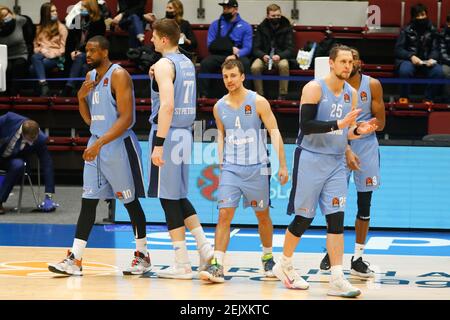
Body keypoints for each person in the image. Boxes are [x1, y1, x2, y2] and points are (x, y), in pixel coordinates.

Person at [272, 45, 378, 297]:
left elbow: (346, 131)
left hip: (336, 163)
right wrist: (338, 124)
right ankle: (284, 264)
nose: (347, 66)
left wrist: (358, 132)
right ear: (331, 63)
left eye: (350, 62)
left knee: (336, 219)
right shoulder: (314, 88)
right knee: (304, 218)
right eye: (342, 61)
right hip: (310, 158)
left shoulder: (351, 93)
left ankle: (338, 278)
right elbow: (306, 126)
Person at [48, 35, 150, 276]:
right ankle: (75, 259)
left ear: (105, 52)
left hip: (118, 146)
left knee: (130, 202)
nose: (88, 55)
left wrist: (100, 142)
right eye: (86, 51)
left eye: (93, 51)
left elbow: (127, 119)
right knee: (88, 200)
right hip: (96, 145)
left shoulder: (119, 75)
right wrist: (80, 97)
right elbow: (90, 120)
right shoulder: (89, 78)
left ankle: (143, 255)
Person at [199, 59, 289, 283]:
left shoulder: (258, 102)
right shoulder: (219, 106)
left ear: (242, 76)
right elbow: (221, 134)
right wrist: (221, 162)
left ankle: (268, 257)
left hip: (257, 168)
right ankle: (217, 265)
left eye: (233, 76)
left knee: (263, 216)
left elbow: (275, 132)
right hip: (231, 168)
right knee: (223, 215)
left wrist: (283, 165)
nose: (229, 80)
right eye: (225, 76)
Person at [148, 19, 213, 279]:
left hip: (170, 132)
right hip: (186, 132)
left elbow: (167, 106)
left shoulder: (165, 64)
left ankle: (182, 263)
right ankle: (203, 246)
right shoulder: (187, 62)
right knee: (177, 194)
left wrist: (159, 145)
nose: (151, 40)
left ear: (164, 39)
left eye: (154, 36)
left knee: (168, 198)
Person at [319, 48, 386, 278]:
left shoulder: (372, 85)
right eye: (346, 59)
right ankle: (332, 251)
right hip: (339, 146)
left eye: (354, 58)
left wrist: (364, 127)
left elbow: (382, 123)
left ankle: (357, 257)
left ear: (359, 62)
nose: (350, 63)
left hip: (365, 146)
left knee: (364, 203)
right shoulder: (330, 86)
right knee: (334, 202)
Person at [0, 112, 58, 214]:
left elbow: (47, 164)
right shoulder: (8, 119)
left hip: (10, 161)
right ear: (23, 133)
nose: (33, 141)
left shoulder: (40, 138)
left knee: (18, 165)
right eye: (31, 139)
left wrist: (48, 195)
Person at [199, 0, 253, 98]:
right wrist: (230, 48)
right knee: (205, 63)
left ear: (235, 9)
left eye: (228, 8)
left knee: (245, 63)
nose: (225, 10)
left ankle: (246, 96)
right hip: (218, 55)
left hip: (236, 56)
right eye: (224, 8)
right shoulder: (215, 25)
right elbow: (210, 45)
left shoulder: (245, 26)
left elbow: (247, 48)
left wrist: (236, 55)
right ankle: (203, 96)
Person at [395, 3, 444, 104]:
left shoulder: (433, 30)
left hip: (427, 61)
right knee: (405, 70)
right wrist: (411, 56)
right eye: (418, 15)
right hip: (409, 60)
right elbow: (398, 49)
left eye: (423, 15)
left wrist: (432, 58)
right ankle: (404, 97)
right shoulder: (406, 30)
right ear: (413, 17)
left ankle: (428, 98)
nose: (421, 18)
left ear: (426, 15)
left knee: (438, 71)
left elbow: (436, 48)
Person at [62, 0, 106, 97]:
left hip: (94, 54)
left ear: (91, 7)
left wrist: (80, 52)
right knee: (83, 66)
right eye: (81, 6)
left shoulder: (98, 22)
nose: (81, 9)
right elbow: (69, 41)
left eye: (84, 7)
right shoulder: (77, 20)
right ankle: (79, 92)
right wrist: (71, 52)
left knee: (82, 59)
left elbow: (97, 43)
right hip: (76, 55)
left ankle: (69, 87)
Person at [251, 4, 294, 100]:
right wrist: (263, 56)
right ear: (268, 16)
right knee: (255, 67)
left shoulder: (287, 27)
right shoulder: (261, 28)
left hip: (280, 57)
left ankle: (282, 95)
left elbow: (290, 49)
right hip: (264, 57)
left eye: (278, 16)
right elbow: (255, 49)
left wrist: (280, 56)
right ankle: (259, 96)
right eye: (273, 16)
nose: (276, 18)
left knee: (284, 65)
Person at [30, 2, 68, 97]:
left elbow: (62, 49)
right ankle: (44, 88)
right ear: (45, 14)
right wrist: (41, 50)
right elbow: (35, 45)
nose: (55, 13)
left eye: (55, 10)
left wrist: (50, 54)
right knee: (35, 57)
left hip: (55, 58)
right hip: (41, 54)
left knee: (32, 68)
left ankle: (41, 90)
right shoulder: (39, 28)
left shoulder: (62, 28)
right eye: (52, 11)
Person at [0, 6, 32, 96]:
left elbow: (29, 37)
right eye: (4, 15)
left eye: (8, 13)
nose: (8, 16)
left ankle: (15, 94)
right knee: (6, 69)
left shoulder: (20, 21)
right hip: (5, 56)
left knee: (18, 66)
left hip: (21, 54)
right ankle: (4, 94)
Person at [439, 14, 450, 102]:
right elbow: (442, 52)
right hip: (447, 62)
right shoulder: (443, 34)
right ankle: (447, 100)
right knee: (445, 72)